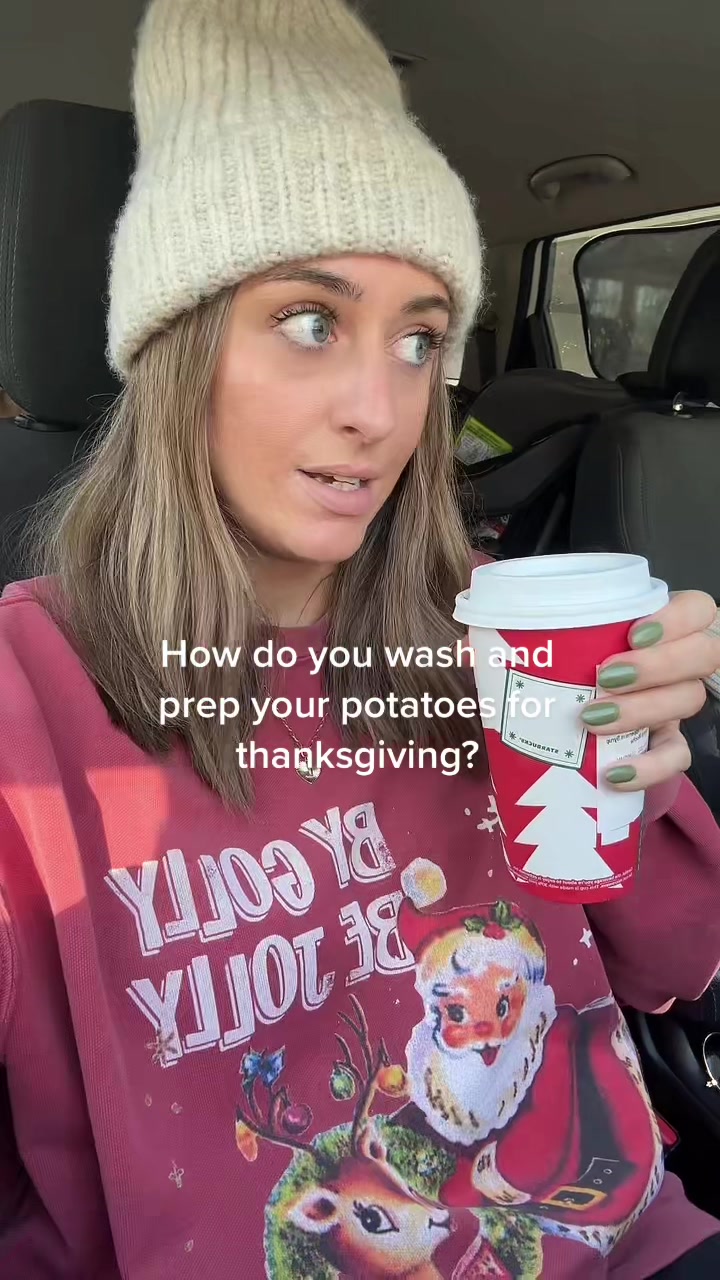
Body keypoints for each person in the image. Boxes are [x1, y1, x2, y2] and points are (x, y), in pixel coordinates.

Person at [0, 2, 719, 1277]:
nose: (379, 411)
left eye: (421, 339)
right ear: (177, 351)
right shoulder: (26, 699)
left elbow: (677, 960)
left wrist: (648, 770)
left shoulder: (489, 629)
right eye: (310, 321)